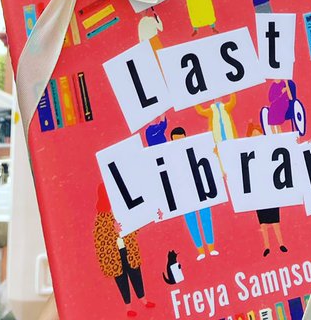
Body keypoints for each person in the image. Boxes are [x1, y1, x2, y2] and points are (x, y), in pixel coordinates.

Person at [93, 183, 155, 316]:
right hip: (114, 255)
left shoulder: (123, 210)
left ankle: (143, 299)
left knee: (136, 275)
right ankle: (128, 307)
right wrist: (114, 231)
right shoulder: (101, 217)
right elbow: (100, 238)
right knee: (121, 280)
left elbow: (133, 227)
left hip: (129, 250)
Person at [170, 127, 218, 259]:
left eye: (182, 139)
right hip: (184, 195)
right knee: (191, 222)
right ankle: (201, 251)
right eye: (176, 141)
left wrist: (214, 153)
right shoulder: (170, 157)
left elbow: (208, 160)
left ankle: (211, 247)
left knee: (206, 218)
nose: (180, 142)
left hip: (201, 190)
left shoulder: (196, 149)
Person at [245, 122, 287, 255]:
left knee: (275, 221)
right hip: (258, 192)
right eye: (254, 135)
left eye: (259, 134)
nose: (257, 137)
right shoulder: (246, 154)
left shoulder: (269, 149)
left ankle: (281, 244)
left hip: (271, 188)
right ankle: (267, 247)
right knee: (263, 223)